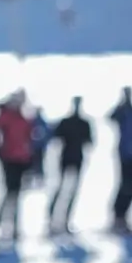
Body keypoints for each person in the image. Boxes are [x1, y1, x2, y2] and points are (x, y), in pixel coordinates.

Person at [0, 91, 35, 242]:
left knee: (15, 193)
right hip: (9, 160)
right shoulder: (6, 116)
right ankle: (5, 222)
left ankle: (10, 223)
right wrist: (0, 152)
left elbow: (29, 137)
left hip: (21, 160)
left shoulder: (23, 117)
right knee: (11, 192)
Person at [47, 97, 93, 236]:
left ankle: (66, 220)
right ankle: (52, 219)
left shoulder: (83, 123)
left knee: (72, 191)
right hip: (66, 158)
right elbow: (56, 138)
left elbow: (89, 141)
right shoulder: (67, 122)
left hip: (76, 159)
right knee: (61, 189)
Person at [109, 86, 132, 234]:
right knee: (124, 185)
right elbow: (111, 117)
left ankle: (125, 216)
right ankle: (118, 216)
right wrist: (120, 104)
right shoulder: (122, 113)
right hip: (124, 154)